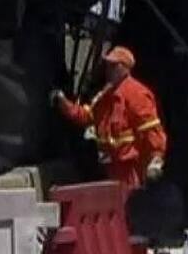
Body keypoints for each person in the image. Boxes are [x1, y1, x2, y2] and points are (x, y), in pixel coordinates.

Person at [52, 46, 167, 193]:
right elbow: (85, 116)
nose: (108, 69)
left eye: (113, 65)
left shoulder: (137, 94)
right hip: (110, 167)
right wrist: (63, 102)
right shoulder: (106, 94)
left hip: (130, 168)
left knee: (128, 206)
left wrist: (155, 159)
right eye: (108, 65)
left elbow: (151, 129)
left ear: (124, 68)